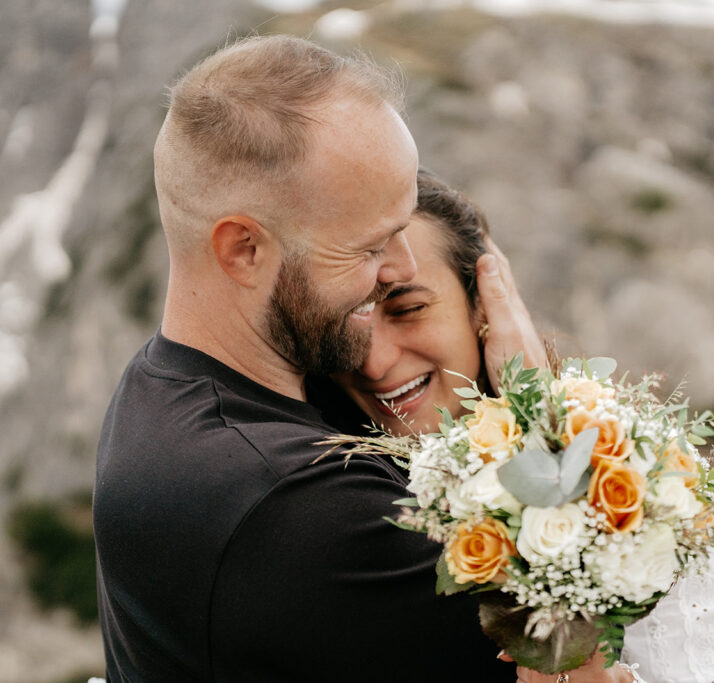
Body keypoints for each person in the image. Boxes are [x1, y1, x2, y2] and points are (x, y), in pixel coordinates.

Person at [93, 35, 627, 683]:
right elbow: (579, 667)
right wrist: (539, 409)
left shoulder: (158, 384)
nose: (399, 267)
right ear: (243, 250)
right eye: (369, 246)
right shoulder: (309, 511)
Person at [328, 168, 714, 682]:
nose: (373, 363)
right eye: (344, 325)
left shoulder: (614, 447)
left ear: (483, 301)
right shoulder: (346, 508)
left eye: (409, 309)